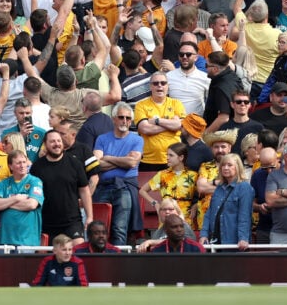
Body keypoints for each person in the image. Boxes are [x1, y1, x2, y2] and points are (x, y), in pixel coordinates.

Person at [92, 102, 143, 245]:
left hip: (124, 188)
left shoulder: (137, 139)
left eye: (128, 118)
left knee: (119, 228)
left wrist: (107, 158)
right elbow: (96, 164)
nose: (125, 121)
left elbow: (132, 163)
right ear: (114, 118)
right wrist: (123, 160)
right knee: (98, 228)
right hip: (103, 187)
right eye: (121, 117)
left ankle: (118, 260)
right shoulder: (102, 138)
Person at [29, 129, 91, 240]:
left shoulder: (75, 163)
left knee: (78, 247)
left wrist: (90, 216)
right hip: (46, 223)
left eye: (59, 141)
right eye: (52, 141)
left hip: (72, 221)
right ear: (45, 144)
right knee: (43, 254)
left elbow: (85, 190)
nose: (57, 144)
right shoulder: (37, 167)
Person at [200, 153, 252, 249]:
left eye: (229, 165)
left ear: (238, 167)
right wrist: (204, 234)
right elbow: (209, 213)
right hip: (215, 239)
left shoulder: (244, 187)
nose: (225, 168)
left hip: (233, 241)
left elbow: (244, 215)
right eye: (223, 165)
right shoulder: (219, 188)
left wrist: (243, 238)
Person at [0, 151, 44, 247]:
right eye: (18, 163)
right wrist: (17, 198)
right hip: (6, 239)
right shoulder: (3, 184)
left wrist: (6, 204)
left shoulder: (35, 181)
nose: (22, 165)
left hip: (27, 240)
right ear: (10, 166)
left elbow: (31, 204)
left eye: (24, 162)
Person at [138, 142, 198, 221]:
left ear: (181, 157)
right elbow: (142, 191)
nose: (167, 158)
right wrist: (155, 203)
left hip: (185, 218)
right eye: (167, 155)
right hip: (166, 218)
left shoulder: (193, 175)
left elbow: (201, 196)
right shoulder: (162, 175)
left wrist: (195, 206)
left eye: (171, 155)